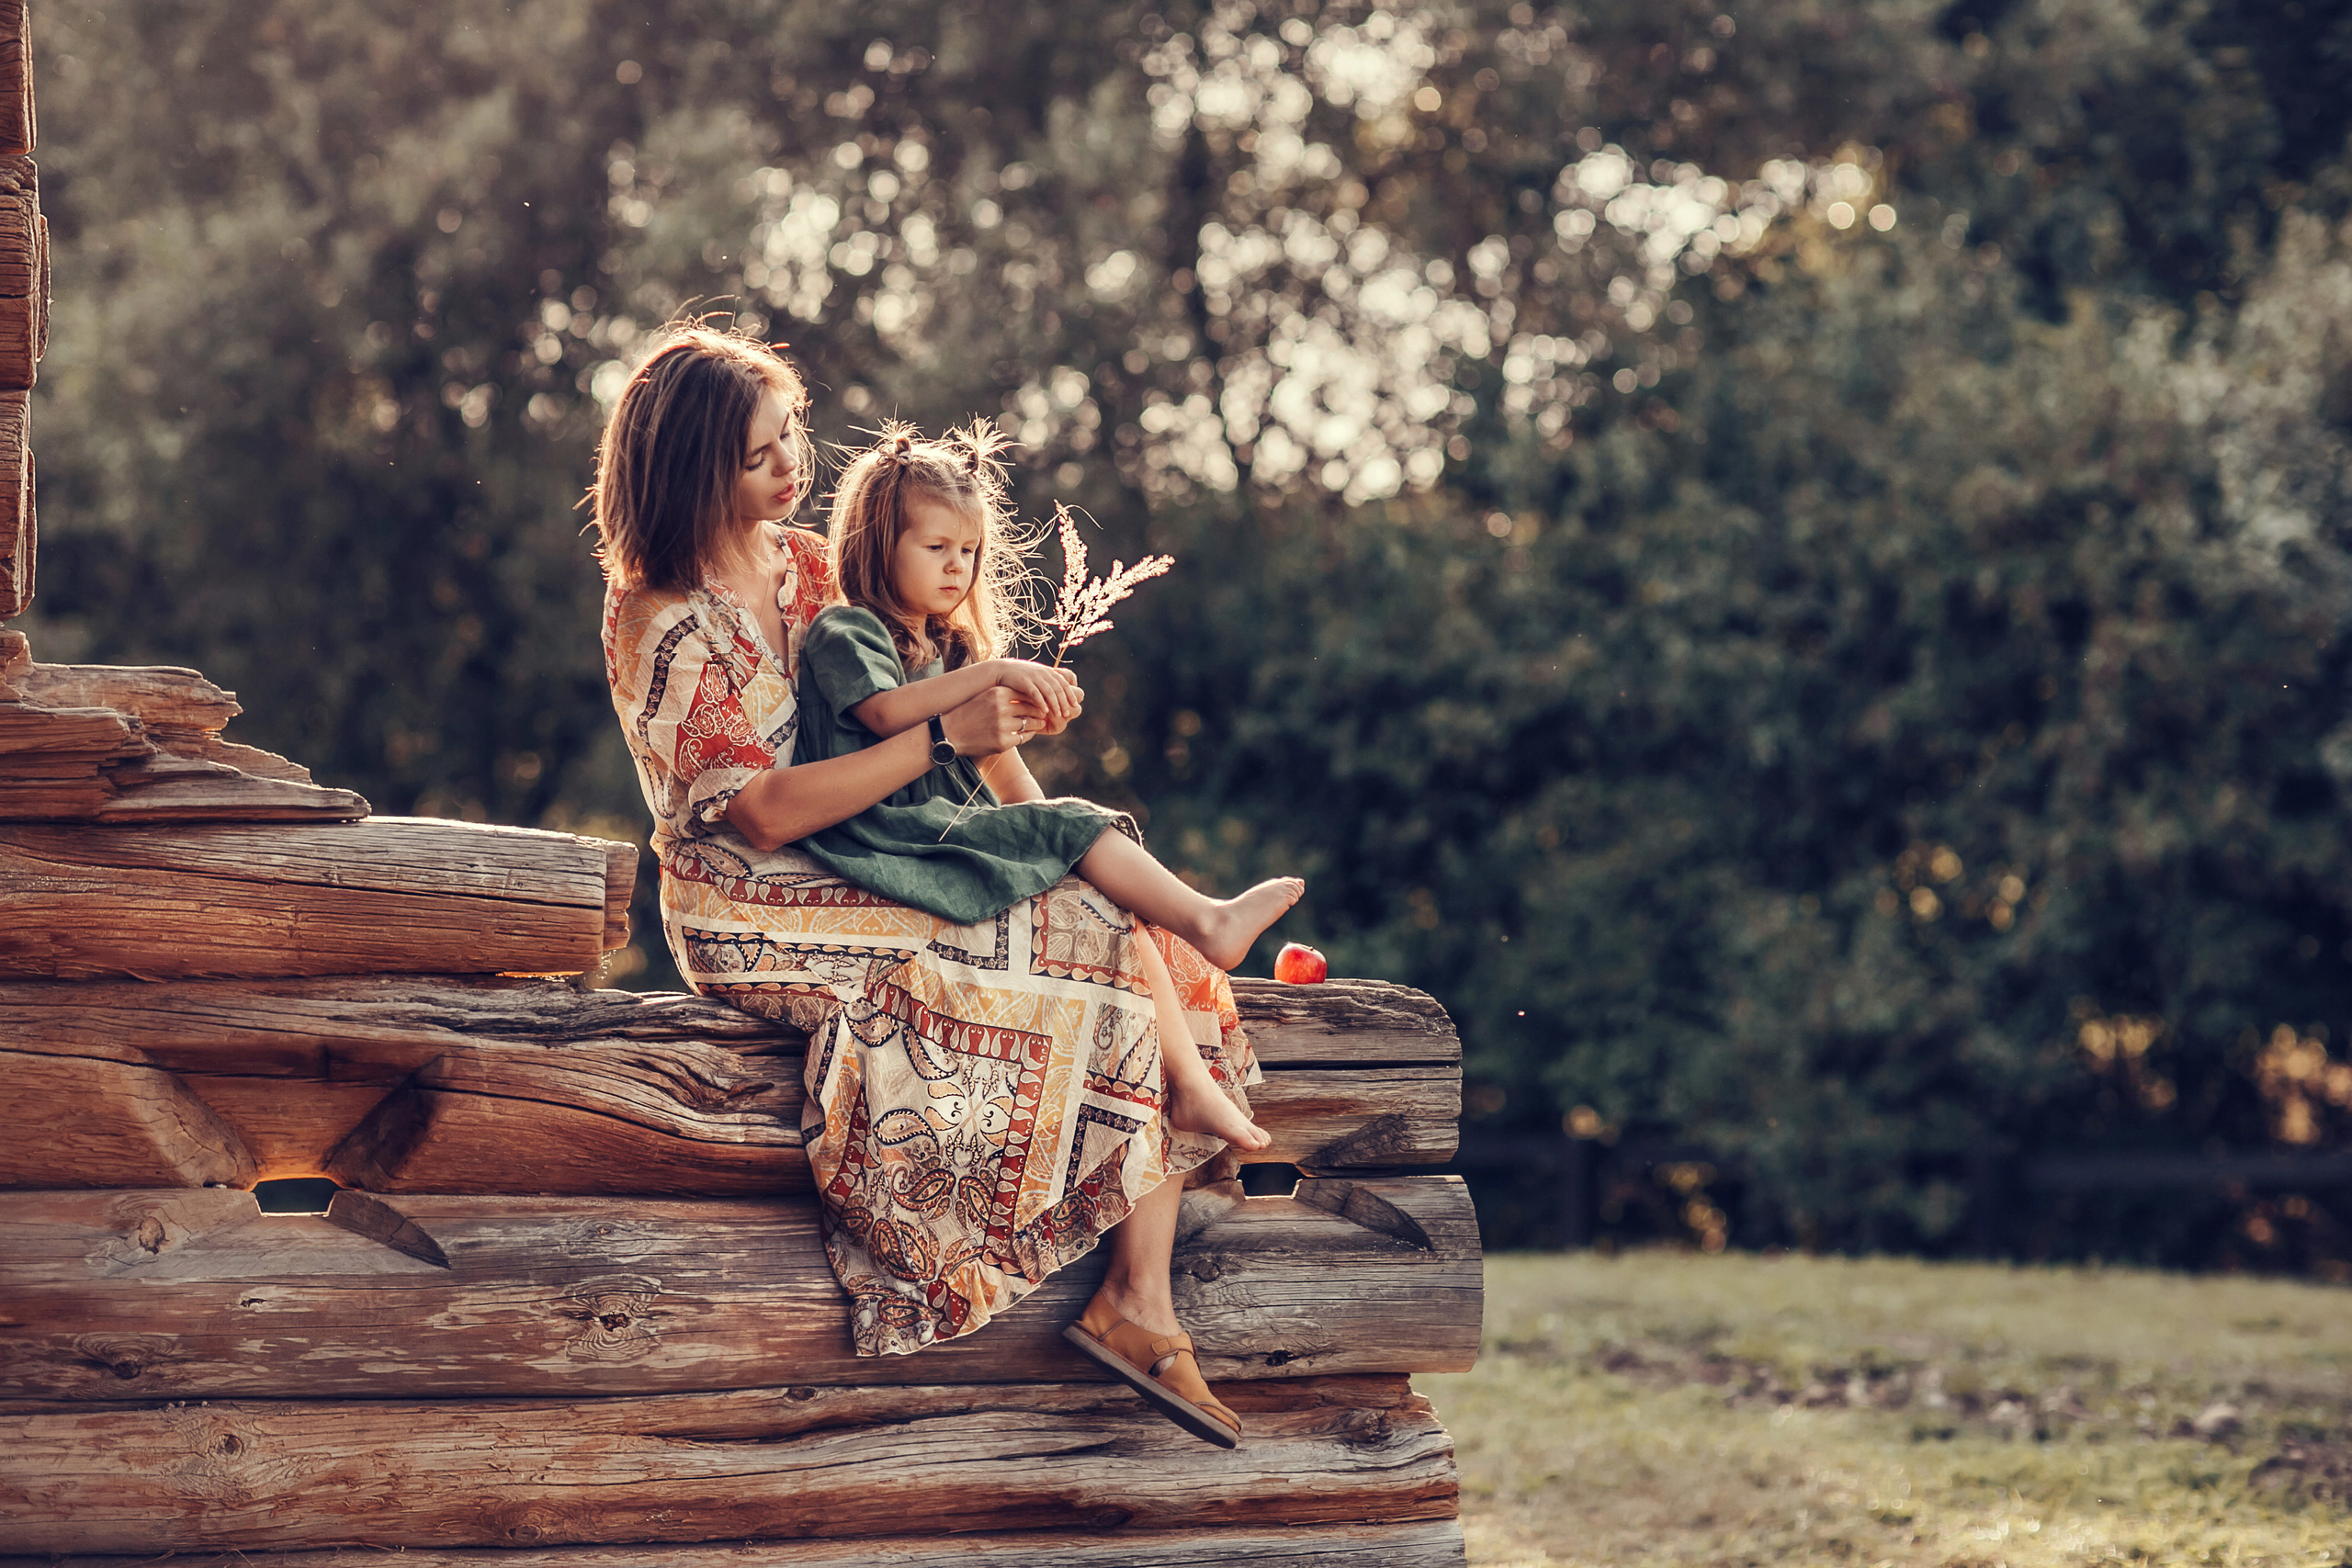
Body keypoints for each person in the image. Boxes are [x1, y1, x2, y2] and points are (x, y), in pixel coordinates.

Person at [594, 322, 1285, 1448]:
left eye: (792, 435)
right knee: (1075, 940)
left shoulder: (809, 568)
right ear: (691, 470)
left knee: (1124, 922)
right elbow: (760, 812)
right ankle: (1091, 1276)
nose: (792, 464)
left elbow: (924, 699)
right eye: (760, 453)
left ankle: (1138, 1298)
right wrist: (943, 743)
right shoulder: (658, 620)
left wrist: (1018, 799)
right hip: (751, 901)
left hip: (876, 850)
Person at [791, 418, 1301, 1160]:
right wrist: (997, 672)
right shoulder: (848, 629)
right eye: (936, 548)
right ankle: (1208, 921)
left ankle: (1190, 1077)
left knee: (1097, 881)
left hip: (931, 831)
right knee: (1075, 829)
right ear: (877, 546)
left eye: (969, 551)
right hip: (884, 834)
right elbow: (885, 713)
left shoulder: (946, 646)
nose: (958, 567)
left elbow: (1005, 775)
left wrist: (1057, 841)